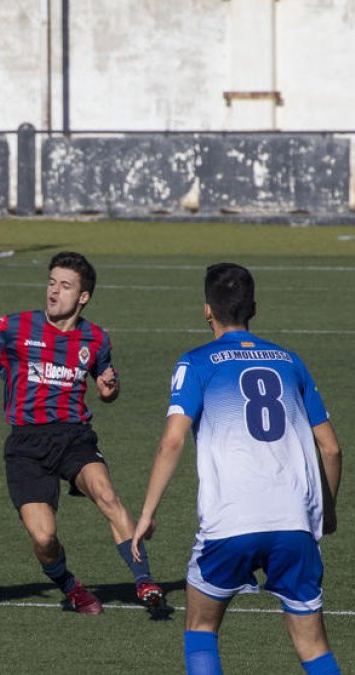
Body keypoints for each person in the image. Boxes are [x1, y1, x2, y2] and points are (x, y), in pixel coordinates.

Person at [131, 263, 342, 675]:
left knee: (201, 629)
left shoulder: (196, 363)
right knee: (313, 646)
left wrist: (146, 514)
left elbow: (172, 441)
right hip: (294, 523)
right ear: (254, 309)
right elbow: (331, 449)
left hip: (231, 522)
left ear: (207, 311)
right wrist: (326, 513)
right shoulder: (290, 361)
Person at [0, 251, 164, 614]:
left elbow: (106, 387)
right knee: (44, 538)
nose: (54, 292)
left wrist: (109, 387)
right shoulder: (16, 327)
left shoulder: (96, 339)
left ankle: (144, 582)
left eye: (65, 286)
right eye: (51, 283)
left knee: (106, 495)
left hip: (74, 436)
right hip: (26, 444)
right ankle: (71, 587)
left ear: (83, 296)